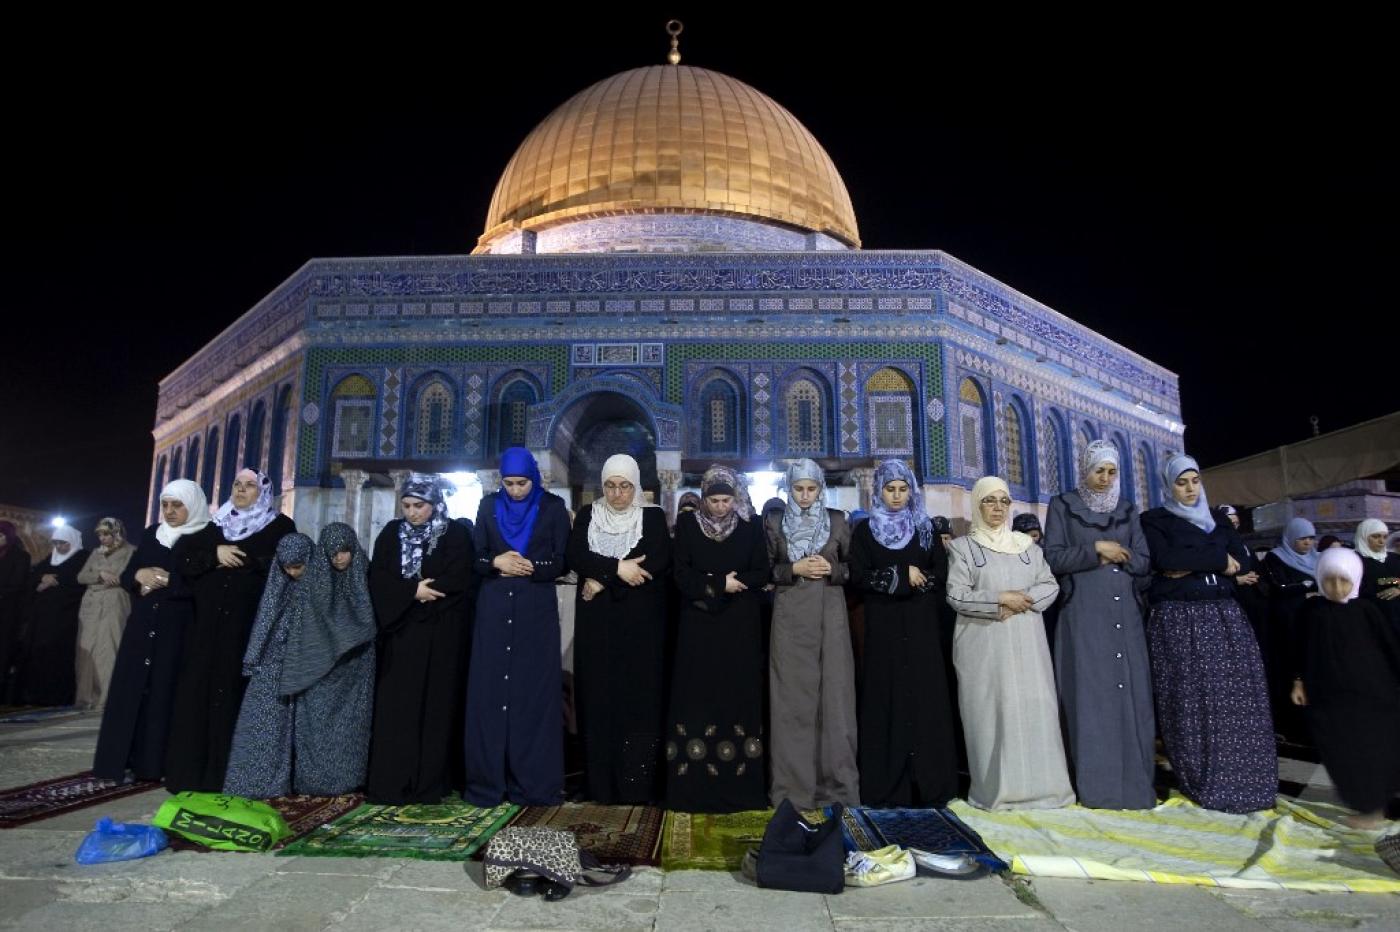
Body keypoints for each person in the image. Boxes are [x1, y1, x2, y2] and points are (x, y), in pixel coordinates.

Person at [1140, 454, 1276, 813]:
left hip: (1223, 617)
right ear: (1168, 486)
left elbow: (1243, 562)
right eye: (1181, 483)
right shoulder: (1155, 519)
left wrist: (1192, 561)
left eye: (1194, 481)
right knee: (1192, 701)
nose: (1189, 489)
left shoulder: (1217, 518)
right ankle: (1202, 780)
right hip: (1179, 620)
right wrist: (1217, 561)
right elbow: (1166, 560)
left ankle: (1247, 783)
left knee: (1237, 700)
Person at [165, 468, 296, 793]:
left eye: (249, 486)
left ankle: (230, 776)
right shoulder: (216, 525)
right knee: (199, 695)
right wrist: (215, 554)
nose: (241, 490)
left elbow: (284, 564)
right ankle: (192, 775)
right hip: (206, 629)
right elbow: (183, 560)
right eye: (237, 484)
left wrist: (245, 560)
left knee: (235, 697)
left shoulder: (279, 526)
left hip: (248, 629)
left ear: (263, 492)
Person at [947, 476, 1073, 811]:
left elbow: (1049, 585)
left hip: (1027, 641)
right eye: (989, 501)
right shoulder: (963, 548)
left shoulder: (1028, 548)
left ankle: (1045, 790)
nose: (998, 508)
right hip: (985, 644)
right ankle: (997, 791)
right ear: (977, 504)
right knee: (993, 713)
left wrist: (1021, 601)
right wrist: (999, 600)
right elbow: (957, 594)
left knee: (1035, 709)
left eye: (1004, 501)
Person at [1041, 440, 1155, 809]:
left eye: (1111, 472)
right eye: (1098, 471)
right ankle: (1096, 788)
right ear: (1084, 470)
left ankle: (1134, 787)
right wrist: (1097, 551)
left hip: (1126, 617)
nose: (1105, 478)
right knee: (1090, 699)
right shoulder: (1063, 505)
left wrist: (1117, 555)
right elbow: (1053, 557)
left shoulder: (1127, 509)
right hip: (1084, 615)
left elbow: (1143, 561)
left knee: (1129, 696)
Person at [851, 459, 957, 808]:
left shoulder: (925, 529)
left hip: (921, 626)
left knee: (925, 699)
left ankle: (929, 783)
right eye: (890, 489)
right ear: (878, 491)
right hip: (884, 629)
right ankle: (889, 785)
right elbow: (858, 576)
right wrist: (901, 573)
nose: (897, 496)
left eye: (902, 489)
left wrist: (916, 581)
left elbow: (940, 574)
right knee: (887, 698)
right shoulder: (865, 532)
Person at [468, 449, 571, 807]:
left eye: (521, 483)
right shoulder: (487, 506)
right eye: (509, 483)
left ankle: (532, 783)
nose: (514, 490)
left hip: (534, 610)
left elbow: (562, 560)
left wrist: (530, 567)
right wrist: (496, 561)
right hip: (494, 609)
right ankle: (489, 782)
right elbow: (476, 556)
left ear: (534, 478)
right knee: (491, 693)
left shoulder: (553, 508)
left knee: (532, 695)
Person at [568, 454, 672, 804]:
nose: (617, 494)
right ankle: (600, 785)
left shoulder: (652, 517)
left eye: (625, 486)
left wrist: (601, 580)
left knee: (637, 701)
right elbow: (576, 555)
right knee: (598, 699)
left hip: (639, 627)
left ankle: (636, 786)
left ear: (636, 485)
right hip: (597, 628)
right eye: (610, 486)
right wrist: (616, 570)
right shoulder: (588, 514)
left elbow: (655, 559)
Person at [667, 465, 770, 813]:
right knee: (698, 700)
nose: (721, 507)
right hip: (698, 629)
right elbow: (680, 574)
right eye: (714, 501)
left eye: (726, 500)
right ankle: (693, 790)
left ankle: (739, 789)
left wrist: (731, 582)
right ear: (704, 498)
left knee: (736, 698)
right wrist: (718, 583)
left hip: (739, 629)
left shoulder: (751, 526)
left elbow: (762, 571)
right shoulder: (688, 526)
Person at [367, 474, 475, 804]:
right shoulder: (391, 534)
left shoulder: (454, 534)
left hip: (442, 635)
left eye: (420, 505)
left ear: (435, 503)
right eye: (407, 506)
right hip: (401, 635)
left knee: (436, 709)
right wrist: (412, 591)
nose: (413, 513)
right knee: (398, 708)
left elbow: (461, 577)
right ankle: (394, 782)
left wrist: (430, 592)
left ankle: (429, 784)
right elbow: (378, 577)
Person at [93, 481, 208, 781]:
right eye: (165, 505)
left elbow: (208, 584)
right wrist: (139, 575)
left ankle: (155, 765)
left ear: (192, 505)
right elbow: (129, 574)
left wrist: (171, 581)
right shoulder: (152, 533)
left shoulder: (206, 536)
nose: (169, 511)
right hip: (142, 625)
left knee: (164, 691)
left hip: (178, 627)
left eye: (177, 505)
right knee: (132, 690)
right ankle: (122, 760)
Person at [763, 458, 858, 809]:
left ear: (821, 489)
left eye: (811, 489)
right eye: (798, 489)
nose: (805, 495)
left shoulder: (838, 521)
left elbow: (854, 568)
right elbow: (764, 570)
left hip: (831, 617)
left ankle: (836, 789)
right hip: (790, 618)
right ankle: (793, 792)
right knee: (792, 702)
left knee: (835, 701)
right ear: (789, 489)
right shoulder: (775, 522)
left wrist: (832, 569)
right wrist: (794, 568)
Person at [1290, 547, 1400, 829]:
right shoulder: (1311, 611)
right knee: (1340, 750)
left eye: (1344, 580)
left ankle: (1374, 807)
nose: (1337, 588)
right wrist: (1298, 680)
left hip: (1373, 693)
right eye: (1329, 580)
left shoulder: (1367, 610)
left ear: (1356, 579)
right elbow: (1298, 648)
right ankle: (1366, 803)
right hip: (1328, 696)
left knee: (1375, 747)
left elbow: (1390, 647)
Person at [14, 525, 88, 706]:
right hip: (41, 619)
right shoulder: (50, 558)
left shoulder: (82, 558)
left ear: (72, 541)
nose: (59, 547)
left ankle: (57, 697)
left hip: (66, 618)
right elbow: (33, 578)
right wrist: (41, 580)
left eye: (63, 543)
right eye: (56, 543)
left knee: (58, 656)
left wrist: (56, 582)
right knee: (37, 655)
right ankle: (33, 695)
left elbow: (80, 581)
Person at [1261, 517, 1321, 738]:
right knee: (1291, 667)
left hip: (1313, 622)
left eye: (1311, 538)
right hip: (1288, 623)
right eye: (1302, 539)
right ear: (1291, 538)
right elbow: (1278, 588)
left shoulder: (1318, 558)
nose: (1307, 543)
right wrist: (1304, 591)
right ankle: (1292, 724)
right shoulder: (1276, 558)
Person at [74, 518, 136, 710]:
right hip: (91, 604)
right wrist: (100, 575)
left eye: (106, 534)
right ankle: (86, 697)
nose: (102, 538)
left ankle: (107, 697)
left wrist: (107, 577)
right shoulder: (96, 552)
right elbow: (81, 577)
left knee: (109, 648)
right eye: (99, 534)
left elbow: (124, 577)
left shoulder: (131, 551)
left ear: (116, 533)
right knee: (87, 648)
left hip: (114, 602)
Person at [0, 521, 32, 699]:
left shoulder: (21, 557)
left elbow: (18, 584)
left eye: (0, 535)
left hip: (8, 613)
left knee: (3, 651)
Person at [1354, 519, 1400, 627]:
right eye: (1376, 536)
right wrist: (1394, 581)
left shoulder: (1394, 558)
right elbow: (1363, 586)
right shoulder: (1355, 560)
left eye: (1385, 537)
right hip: (1372, 618)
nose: (1381, 541)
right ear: (1364, 536)